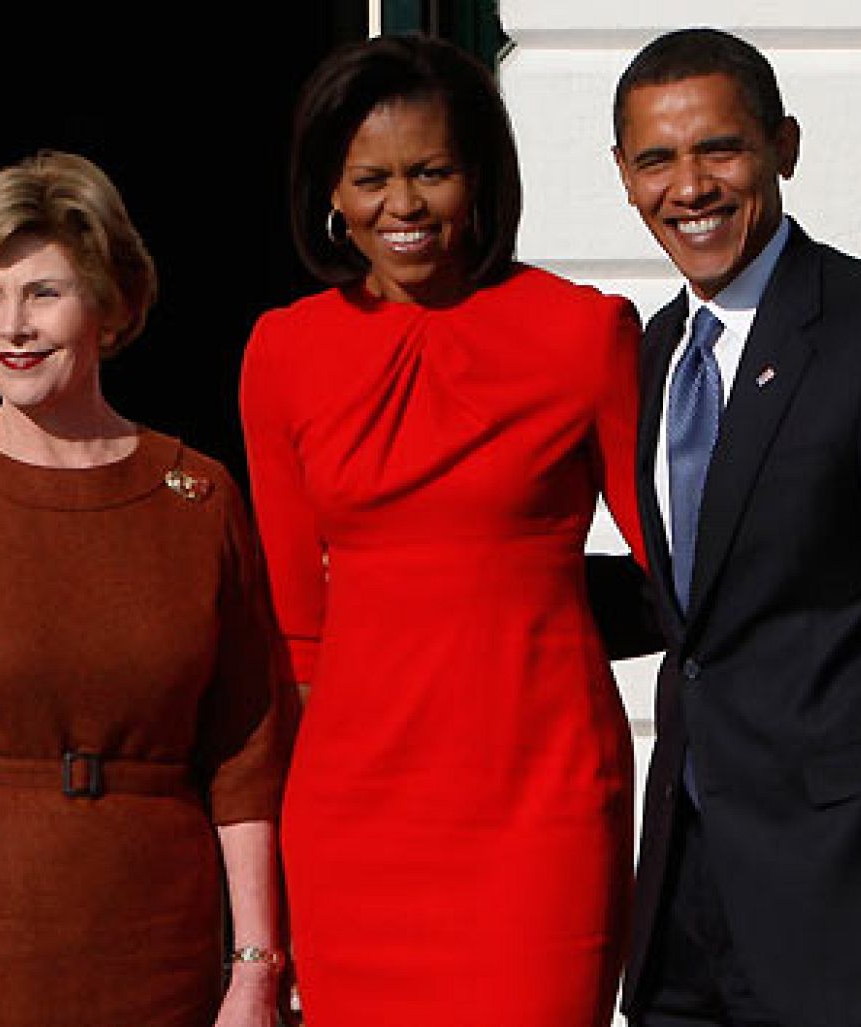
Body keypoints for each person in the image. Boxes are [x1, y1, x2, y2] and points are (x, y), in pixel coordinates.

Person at [0, 150, 296, 1027]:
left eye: (43, 292)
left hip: (157, 940)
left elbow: (245, 755)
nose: (12, 325)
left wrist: (254, 971)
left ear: (111, 305)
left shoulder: (197, 496)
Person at [239, 33, 646, 1025]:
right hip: (354, 812)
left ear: (482, 177)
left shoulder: (585, 335)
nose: (405, 207)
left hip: (539, 800)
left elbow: (679, 566)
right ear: (329, 193)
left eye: (432, 172)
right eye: (370, 178)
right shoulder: (282, 351)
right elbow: (295, 627)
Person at [612, 27, 861, 1027]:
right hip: (685, 891)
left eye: (718, 148)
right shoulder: (653, 352)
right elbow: (703, 595)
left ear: (783, 144)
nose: (689, 185)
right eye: (657, 159)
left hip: (850, 900)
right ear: (623, 177)